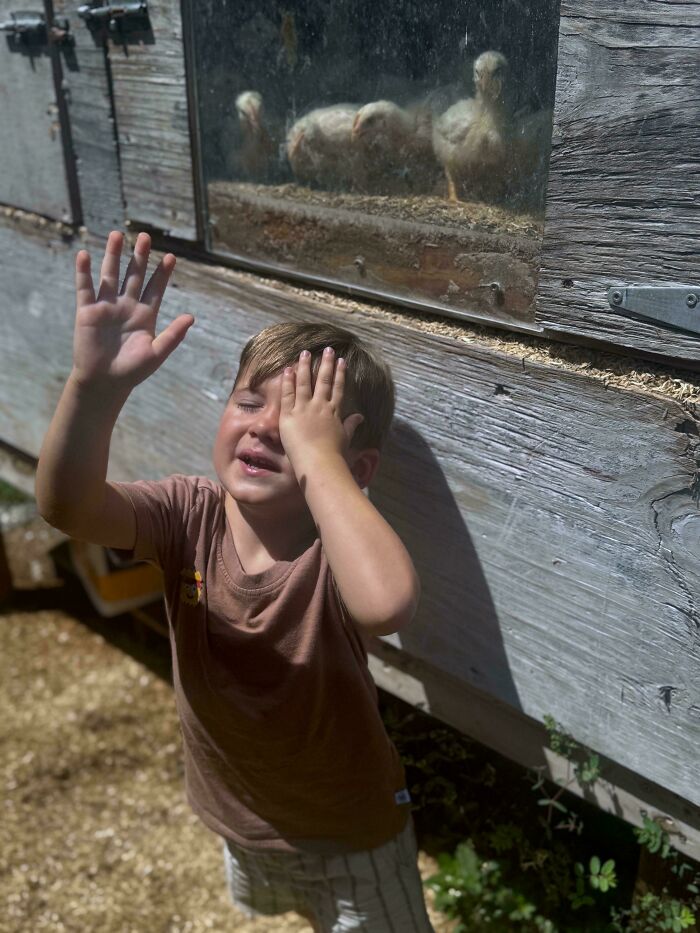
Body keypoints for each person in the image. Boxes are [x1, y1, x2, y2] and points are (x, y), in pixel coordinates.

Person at [35, 230, 434, 932]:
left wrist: (320, 463)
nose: (267, 430)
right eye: (251, 403)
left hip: (351, 828)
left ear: (352, 468)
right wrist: (93, 390)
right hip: (239, 813)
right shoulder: (186, 514)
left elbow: (387, 602)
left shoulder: (333, 550)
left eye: (301, 426)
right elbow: (68, 505)